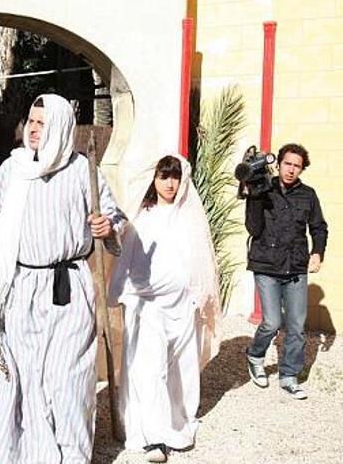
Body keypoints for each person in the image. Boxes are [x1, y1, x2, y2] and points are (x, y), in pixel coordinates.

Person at [0, 94, 127, 464]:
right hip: (21, 288)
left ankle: (69, 452)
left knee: (68, 376)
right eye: (31, 121)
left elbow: (117, 219)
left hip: (70, 286)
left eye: (42, 123)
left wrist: (107, 226)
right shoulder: (13, 168)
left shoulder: (84, 170)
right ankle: (27, 449)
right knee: (24, 373)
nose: (33, 129)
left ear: (61, 127)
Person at [109, 154, 221, 463]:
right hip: (146, 305)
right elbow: (126, 256)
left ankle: (177, 426)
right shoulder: (141, 216)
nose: (169, 183)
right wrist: (117, 291)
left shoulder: (189, 219)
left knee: (181, 368)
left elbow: (201, 262)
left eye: (174, 177)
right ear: (154, 180)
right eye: (163, 176)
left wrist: (201, 296)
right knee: (149, 368)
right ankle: (153, 437)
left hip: (182, 305)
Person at [245, 143, 328, 400]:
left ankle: (289, 375)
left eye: (297, 166)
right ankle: (255, 356)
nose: (291, 169)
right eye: (287, 164)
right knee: (271, 321)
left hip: (295, 266)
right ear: (278, 164)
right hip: (266, 265)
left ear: (302, 169)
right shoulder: (262, 188)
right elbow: (253, 228)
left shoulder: (308, 195)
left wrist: (317, 252)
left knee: (296, 326)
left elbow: (319, 228)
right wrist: (254, 196)